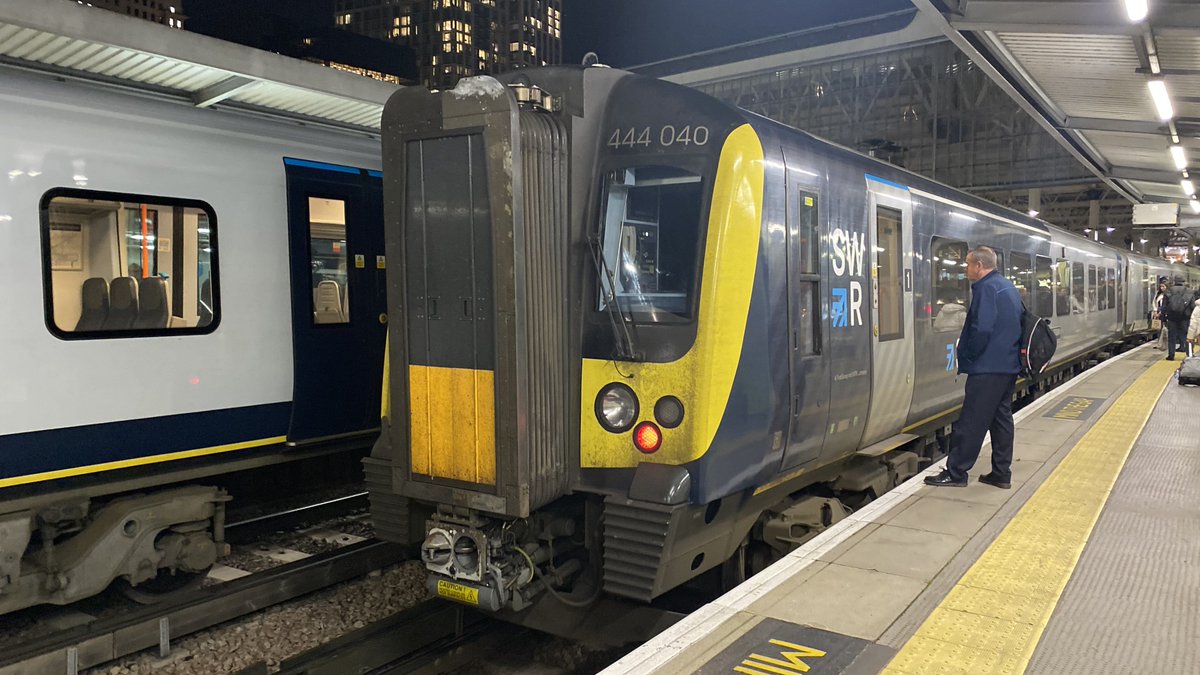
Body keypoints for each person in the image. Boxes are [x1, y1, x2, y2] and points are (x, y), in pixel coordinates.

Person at [926, 246, 1022, 489]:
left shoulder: (986, 288)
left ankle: (956, 472)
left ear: (979, 266)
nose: (966, 269)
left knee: (971, 421)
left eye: (968, 265)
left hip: (987, 367)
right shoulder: (1006, 286)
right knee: (1001, 420)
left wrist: (969, 354)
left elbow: (983, 328)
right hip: (1007, 366)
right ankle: (1001, 472)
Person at [1162, 276, 1194, 361]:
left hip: (1172, 318)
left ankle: (1171, 355)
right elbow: (1192, 306)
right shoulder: (1189, 292)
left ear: (1174, 281)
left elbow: (1164, 307)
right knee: (1187, 336)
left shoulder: (1168, 291)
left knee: (1171, 337)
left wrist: (1163, 318)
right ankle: (1188, 354)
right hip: (1185, 318)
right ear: (1183, 281)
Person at [1153, 280, 1168, 350]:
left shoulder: (1168, 295)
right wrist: (1155, 311)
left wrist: (1161, 312)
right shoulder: (1158, 294)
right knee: (1158, 328)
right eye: (1161, 286)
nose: (1162, 288)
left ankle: (1164, 343)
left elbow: (1166, 305)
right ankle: (1159, 343)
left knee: (1164, 329)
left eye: (1163, 286)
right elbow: (1154, 302)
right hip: (1158, 313)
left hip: (1164, 314)